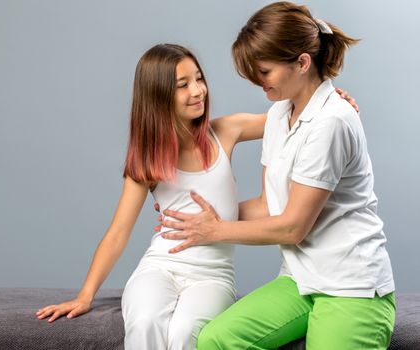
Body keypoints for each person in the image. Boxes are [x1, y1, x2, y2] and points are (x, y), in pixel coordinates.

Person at [159, 2, 395, 349]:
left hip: (352, 288)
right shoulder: (279, 114)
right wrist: (195, 220)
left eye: (264, 72)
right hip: (299, 282)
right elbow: (269, 206)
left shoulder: (332, 122)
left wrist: (216, 230)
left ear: (302, 63)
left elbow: (292, 227)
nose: (258, 81)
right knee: (215, 340)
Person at [35, 43, 267, 349]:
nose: (198, 91)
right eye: (183, 85)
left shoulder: (225, 131)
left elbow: (287, 117)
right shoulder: (148, 160)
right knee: (145, 322)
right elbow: (118, 233)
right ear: (158, 96)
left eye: (199, 79)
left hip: (213, 276)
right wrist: (85, 295)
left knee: (186, 331)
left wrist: (329, 99)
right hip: (159, 268)